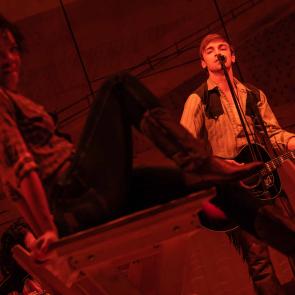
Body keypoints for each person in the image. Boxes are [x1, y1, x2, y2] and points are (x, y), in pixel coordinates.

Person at [0, 15, 263, 261]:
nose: (9, 58)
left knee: (214, 185)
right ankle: (199, 161)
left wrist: (48, 231)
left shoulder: (14, 101)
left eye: (12, 49)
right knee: (117, 86)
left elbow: (13, 184)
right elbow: (21, 171)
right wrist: (49, 231)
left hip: (86, 198)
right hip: (77, 191)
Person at [180, 33, 295, 295]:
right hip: (234, 189)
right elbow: (185, 149)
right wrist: (217, 164)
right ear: (202, 62)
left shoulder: (253, 95)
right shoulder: (197, 100)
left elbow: (272, 133)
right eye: (210, 50)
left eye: (223, 48)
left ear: (233, 56)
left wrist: (290, 142)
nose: (217, 52)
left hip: (266, 180)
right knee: (259, 260)